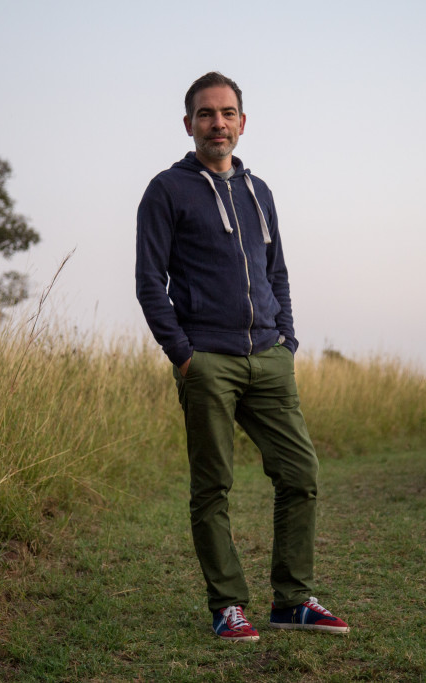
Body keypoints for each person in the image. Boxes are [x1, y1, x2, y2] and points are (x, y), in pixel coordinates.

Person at [135, 72, 350, 642]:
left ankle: (293, 599)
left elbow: (276, 269)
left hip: (269, 356)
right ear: (189, 124)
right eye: (206, 114)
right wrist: (183, 355)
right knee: (214, 487)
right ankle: (228, 606)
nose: (218, 123)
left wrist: (288, 338)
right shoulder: (166, 190)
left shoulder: (260, 192)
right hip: (207, 360)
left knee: (300, 472)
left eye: (227, 113)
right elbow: (148, 282)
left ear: (242, 122)